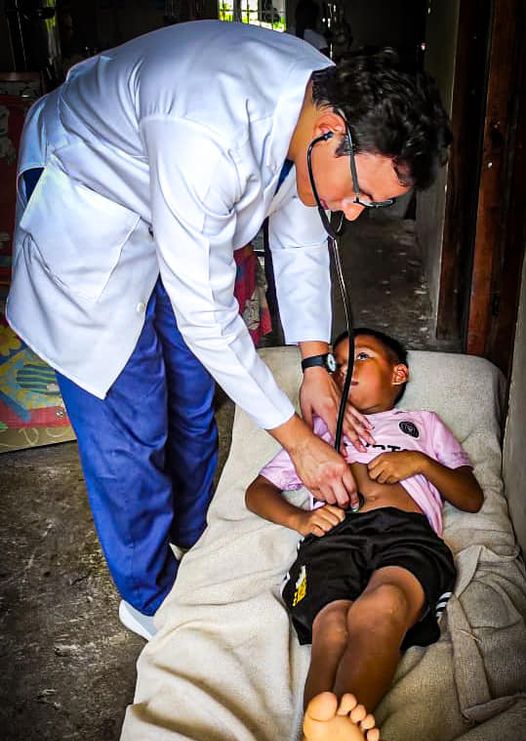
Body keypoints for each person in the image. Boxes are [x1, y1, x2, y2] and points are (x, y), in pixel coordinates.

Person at [7, 22, 451, 640]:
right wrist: (299, 442)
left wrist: (315, 367)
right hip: (93, 193)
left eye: (370, 205)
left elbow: (301, 241)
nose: (353, 212)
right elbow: (207, 318)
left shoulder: (320, 106)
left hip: (178, 201)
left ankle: (196, 534)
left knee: (193, 396)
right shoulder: (206, 132)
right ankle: (148, 595)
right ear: (331, 131)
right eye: (358, 193)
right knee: (130, 421)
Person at [245, 328, 483, 741]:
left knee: (384, 607)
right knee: (332, 627)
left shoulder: (421, 425)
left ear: (398, 374)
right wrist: (300, 519)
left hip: (406, 534)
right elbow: (258, 492)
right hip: (332, 535)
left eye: (362, 358)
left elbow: (470, 496)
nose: (343, 370)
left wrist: (419, 463)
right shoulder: (317, 431)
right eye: (335, 364)